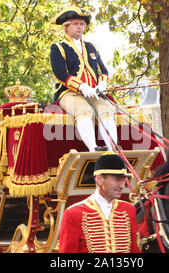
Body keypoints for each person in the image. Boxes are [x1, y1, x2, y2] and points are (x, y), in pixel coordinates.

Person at [50, 7, 118, 152]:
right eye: (76, 23)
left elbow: (103, 70)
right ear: (66, 26)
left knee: (106, 110)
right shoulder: (58, 47)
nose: (80, 27)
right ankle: (94, 149)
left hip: (94, 92)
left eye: (82, 24)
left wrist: (102, 83)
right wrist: (82, 87)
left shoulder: (91, 47)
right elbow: (60, 73)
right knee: (84, 110)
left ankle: (113, 150)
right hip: (69, 93)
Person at [59, 152, 140, 253]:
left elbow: (134, 250)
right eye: (117, 180)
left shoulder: (129, 210)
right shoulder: (73, 214)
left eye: (124, 180)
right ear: (99, 179)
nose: (122, 186)